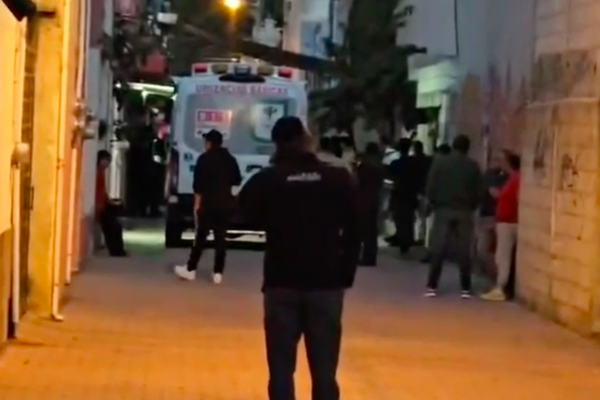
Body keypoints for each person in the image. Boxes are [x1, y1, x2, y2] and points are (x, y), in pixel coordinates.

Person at [239, 116, 360, 400]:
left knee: (281, 371)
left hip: (281, 282)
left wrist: (274, 223)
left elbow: (244, 213)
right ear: (307, 139)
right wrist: (345, 273)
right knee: (325, 373)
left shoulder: (268, 179)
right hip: (326, 284)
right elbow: (356, 228)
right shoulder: (337, 178)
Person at [174, 129, 242, 284]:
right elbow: (237, 180)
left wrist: (196, 205)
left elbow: (198, 185)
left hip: (208, 204)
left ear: (209, 143)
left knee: (200, 238)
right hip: (225, 204)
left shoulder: (204, 159)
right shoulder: (230, 159)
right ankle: (218, 273)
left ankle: (191, 269)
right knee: (220, 238)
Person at [424, 134, 483, 298]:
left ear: (453, 145)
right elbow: (479, 191)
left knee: (438, 248)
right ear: (467, 148)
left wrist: (433, 202)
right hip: (464, 211)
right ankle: (465, 287)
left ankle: (432, 285)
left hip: (443, 209)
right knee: (464, 250)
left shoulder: (440, 163)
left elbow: (430, 186)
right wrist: (472, 206)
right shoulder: (473, 166)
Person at [481, 150, 520, 301]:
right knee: (500, 256)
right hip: (504, 220)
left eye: (502, 160)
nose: (499, 164)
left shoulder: (516, 178)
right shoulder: (511, 178)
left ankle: (501, 288)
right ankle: (500, 285)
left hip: (509, 222)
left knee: (503, 257)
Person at [473, 158, 508, 273]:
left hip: (492, 216)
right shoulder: (491, 176)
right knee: (483, 247)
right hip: (488, 215)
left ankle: (494, 271)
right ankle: (492, 270)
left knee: (483, 248)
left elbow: (495, 194)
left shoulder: (494, 176)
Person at [356, 142, 386, 266]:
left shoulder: (364, 165)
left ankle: (365, 256)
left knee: (364, 229)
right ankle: (371, 256)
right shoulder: (379, 166)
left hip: (364, 199)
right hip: (376, 199)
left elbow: (358, 182)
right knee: (372, 230)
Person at [388, 138, 419, 255]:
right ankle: (407, 240)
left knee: (399, 218)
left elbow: (390, 175)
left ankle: (402, 239)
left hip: (399, 193)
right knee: (409, 218)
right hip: (411, 193)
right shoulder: (414, 163)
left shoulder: (396, 163)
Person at [96, 150, 127, 257]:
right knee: (113, 227)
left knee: (116, 225)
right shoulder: (96, 173)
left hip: (103, 205)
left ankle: (118, 249)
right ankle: (116, 250)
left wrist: (110, 201)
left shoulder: (101, 173)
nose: (108, 164)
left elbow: (102, 191)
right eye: (107, 161)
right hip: (100, 208)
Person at [411, 141, 433, 245]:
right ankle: (421, 237)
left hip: (418, 190)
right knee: (422, 216)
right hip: (424, 190)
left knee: (419, 215)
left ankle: (419, 237)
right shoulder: (428, 160)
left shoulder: (414, 161)